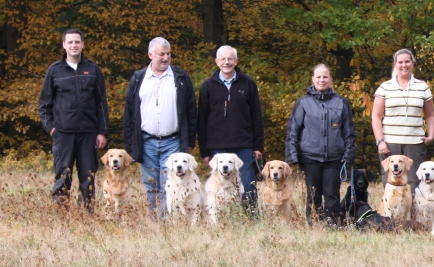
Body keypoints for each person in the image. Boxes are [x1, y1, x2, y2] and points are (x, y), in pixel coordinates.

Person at [123, 37, 197, 220]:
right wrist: (130, 145)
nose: (165, 58)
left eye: (168, 54)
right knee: (151, 185)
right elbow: (129, 113)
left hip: (173, 141)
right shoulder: (139, 78)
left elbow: (191, 111)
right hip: (145, 140)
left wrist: (189, 142)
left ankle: (168, 224)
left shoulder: (180, 78)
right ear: (150, 55)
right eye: (161, 54)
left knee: (169, 184)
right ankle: (155, 222)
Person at [37, 28, 109, 210]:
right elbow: (44, 104)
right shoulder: (55, 71)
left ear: (83, 44)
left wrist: (102, 131)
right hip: (63, 134)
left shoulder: (93, 70)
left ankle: (88, 216)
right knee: (62, 177)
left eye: (77, 42)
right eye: (70, 42)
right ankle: (61, 218)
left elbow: (101, 103)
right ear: (64, 45)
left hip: (88, 134)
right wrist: (51, 129)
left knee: (88, 177)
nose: (74, 45)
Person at [285, 64, 357, 226]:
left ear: (331, 79)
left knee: (332, 194)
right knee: (313, 195)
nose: (322, 80)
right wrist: (291, 156)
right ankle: (315, 225)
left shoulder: (341, 103)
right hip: (309, 157)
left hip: (335, 158)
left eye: (325, 76)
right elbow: (293, 131)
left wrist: (349, 155)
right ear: (313, 79)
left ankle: (333, 226)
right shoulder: (303, 103)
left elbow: (349, 132)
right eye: (318, 77)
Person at [197, 45, 265, 216]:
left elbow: (257, 117)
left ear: (236, 61)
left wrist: (258, 147)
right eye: (223, 59)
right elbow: (202, 120)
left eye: (230, 59)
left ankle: (251, 220)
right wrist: (204, 152)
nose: (226, 62)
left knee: (248, 186)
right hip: (217, 146)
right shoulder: (208, 85)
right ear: (217, 62)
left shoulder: (248, 83)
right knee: (218, 188)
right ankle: (221, 221)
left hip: (244, 145)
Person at [372, 48, 434, 189]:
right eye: (400, 62)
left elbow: (430, 114)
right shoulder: (385, 87)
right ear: (395, 64)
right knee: (391, 184)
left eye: (407, 61)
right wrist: (380, 141)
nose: (404, 65)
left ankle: (412, 211)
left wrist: (431, 135)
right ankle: (390, 212)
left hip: (415, 143)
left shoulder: (422, 87)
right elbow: (376, 117)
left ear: (412, 63)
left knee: (414, 183)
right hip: (390, 144)